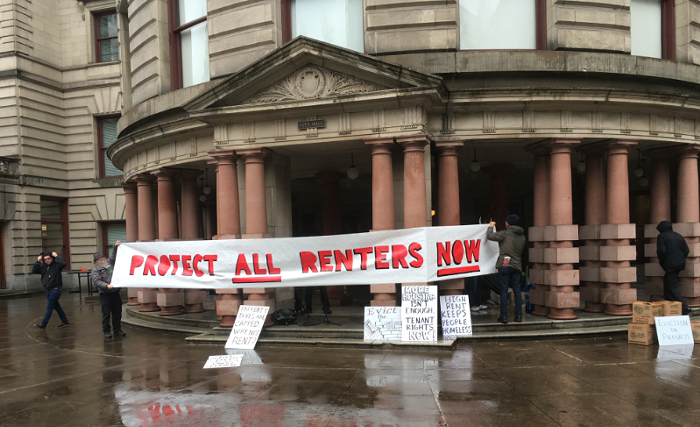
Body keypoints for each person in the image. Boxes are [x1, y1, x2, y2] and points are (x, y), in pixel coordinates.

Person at [487, 214, 527, 324]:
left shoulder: (504, 234)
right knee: (517, 290)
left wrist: (490, 226)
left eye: (506, 222)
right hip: (517, 265)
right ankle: (518, 316)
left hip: (505, 264)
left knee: (503, 290)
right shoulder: (522, 236)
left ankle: (503, 316)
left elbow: (489, 236)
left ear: (508, 223)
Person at [91, 241, 126, 338]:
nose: (101, 260)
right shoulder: (95, 271)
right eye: (99, 259)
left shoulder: (110, 262)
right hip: (105, 294)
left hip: (115, 293)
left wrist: (115, 246)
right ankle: (106, 331)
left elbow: (114, 255)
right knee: (106, 314)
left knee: (117, 312)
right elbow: (97, 281)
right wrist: (106, 285)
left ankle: (117, 330)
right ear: (96, 261)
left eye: (102, 258)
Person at [656, 221, 690, 315]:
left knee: (671, 285)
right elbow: (686, 250)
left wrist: (663, 262)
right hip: (679, 264)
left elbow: (661, 251)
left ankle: (684, 306)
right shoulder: (678, 236)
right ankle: (669, 303)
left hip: (670, 264)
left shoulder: (662, 236)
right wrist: (680, 259)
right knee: (667, 281)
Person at [32, 251, 69, 329]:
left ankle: (44, 324)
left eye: (49, 259)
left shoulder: (57, 266)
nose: (47, 261)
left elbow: (63, 264)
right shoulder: (44, 267)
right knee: (57, 307)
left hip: (56, 289)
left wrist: (57, 256)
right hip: (48, 290)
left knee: (49, 307)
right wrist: (38, 260)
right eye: (45, 259)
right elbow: (34, 270)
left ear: (52, 258)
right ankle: (65, 321)